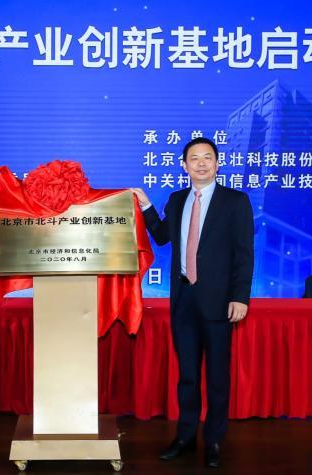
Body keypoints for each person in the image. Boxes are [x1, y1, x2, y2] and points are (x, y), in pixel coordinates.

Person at [131, 137, 254, 468]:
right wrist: (146, 205)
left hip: (219, 301)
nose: (201, 163)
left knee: (217, 377)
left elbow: (244, 254)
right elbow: (161, 237)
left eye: (207, 157)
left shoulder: (235, 201)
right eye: (194, 158)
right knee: (187, 375)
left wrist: (240, 297)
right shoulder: (176, 199)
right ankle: (185, 437)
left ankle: (213, 440)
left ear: (217, 163)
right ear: (184, 166)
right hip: (184, 298)